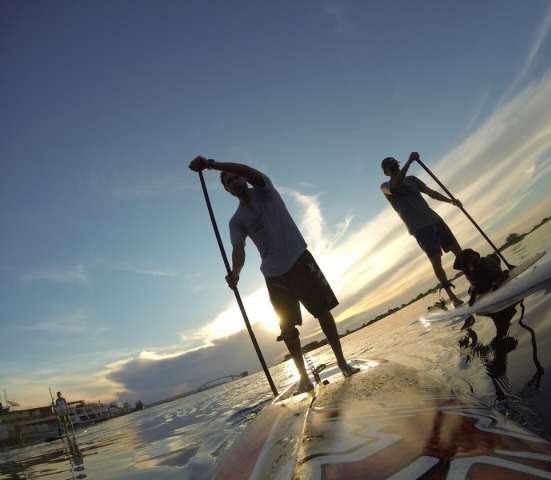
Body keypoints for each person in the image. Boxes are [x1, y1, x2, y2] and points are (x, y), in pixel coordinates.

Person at [189, 156, 359, 393]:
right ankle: (303, 379)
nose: (234, 181)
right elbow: (239, 249)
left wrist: (211, 165)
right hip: (274, 276)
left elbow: (249, 171)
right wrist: (235, 273)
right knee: (287, 329)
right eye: (229, 182)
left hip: (300, 260)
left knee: (323, 313)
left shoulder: (264, 189)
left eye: (235, 177)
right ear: (227, 190)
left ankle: (342, 363)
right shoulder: (236, 221)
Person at [381, 152, 464, 307]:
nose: (396, 169)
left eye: (396, 166)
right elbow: (396, 184)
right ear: (386, 172)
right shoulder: (385, 187)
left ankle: (476, 279)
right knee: (436, 260)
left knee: (458, 251)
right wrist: (410, 161)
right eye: (392, 168)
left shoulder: (412, 180)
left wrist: (451, 201)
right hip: (420, 228)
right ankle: (453, 297)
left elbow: (431, 193)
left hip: (435, 220)